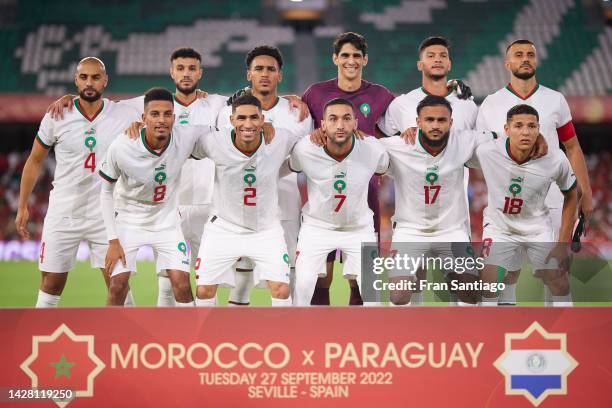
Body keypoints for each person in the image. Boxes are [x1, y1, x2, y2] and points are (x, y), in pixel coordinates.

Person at [15, 57, 140, 308]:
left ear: (105, 80)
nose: (89, 82)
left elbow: (169, 103)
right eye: (84, 77)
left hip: (107, 216)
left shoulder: (126, 112)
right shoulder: (57, 115)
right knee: (51, 283)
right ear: (76, 80)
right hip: (64, 211)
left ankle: (129, 343)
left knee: (118, 285)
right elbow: (35, 160)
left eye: (95, 77)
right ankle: (40, 341)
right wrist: (22, 206)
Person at [476, 39, 591, 305]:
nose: (525, 58)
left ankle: (560, 336)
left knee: (557, 272)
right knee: (506, 275)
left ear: (536, 61)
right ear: (507, 64)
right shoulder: (491, 104)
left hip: (552, 198)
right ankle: (505, 333)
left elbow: (572, 147)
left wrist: (587, 192)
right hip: (510, 203)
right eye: (518, 55)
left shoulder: (555, 100)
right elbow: (480, 149)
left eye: (530, 54)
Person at [377, 36, 478, 305]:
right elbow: (381, 139)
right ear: (420, 63)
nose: (437, 59)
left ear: (450, 63)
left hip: (454, 207)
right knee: (410, 284)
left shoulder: (467, 103)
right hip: (412, 205)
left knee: (467, 290)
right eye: (431, 55)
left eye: (442, 55)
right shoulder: (402, 105)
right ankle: (415, 338)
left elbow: (484, 142)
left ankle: (460, 338)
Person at [99, 87, 217, 306]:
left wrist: (265, 122)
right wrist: (112, 239)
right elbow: (105, 192)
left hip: (167, 222)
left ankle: (190, 339)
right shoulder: (122, 146)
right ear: (143, 118)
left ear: (174, 117)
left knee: (182, 284)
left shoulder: (187, 134)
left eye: (166, 114)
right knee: (116, 286)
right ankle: (112, 339)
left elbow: (233, 127)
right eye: (154, 114)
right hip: (128, 221)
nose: (161, 120)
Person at [301, 32, 395, 305]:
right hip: (324, 196)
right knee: (322, 274)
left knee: (362, 276)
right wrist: (292, 98)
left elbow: (409, 119)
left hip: (365, 196)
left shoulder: (380, 95)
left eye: (356, 55)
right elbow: (293, 119)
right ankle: (320, 338)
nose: (350, 61)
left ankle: (359, 336)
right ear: (335, 58)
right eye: (345, 55)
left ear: (365, 59)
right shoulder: (315, 93)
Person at [217, 45, 313, 305]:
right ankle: (239, 337)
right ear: (249, 74)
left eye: (271, 69)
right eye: (258, 68)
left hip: (285, 198)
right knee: (242, 277)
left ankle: (288, 333)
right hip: (242, 203)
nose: (265, 74)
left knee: (287, 271)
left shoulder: (298, 113)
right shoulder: (228, 113)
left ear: (280, 75)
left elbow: (303, 158)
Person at [380, 95, 497, 306]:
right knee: (398, 295)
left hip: (452, 230)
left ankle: (461, 337)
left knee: (470, 293)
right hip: (410, 231)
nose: (435, 125)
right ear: (417, 122)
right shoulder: (398, 145)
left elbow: (504, 136)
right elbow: (361, 145)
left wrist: (539, 140)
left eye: (441, 120)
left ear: (451, 123)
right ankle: (404, 335)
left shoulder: (464, 139)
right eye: (429, 120)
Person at [194, 94, 302, 307]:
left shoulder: (282, 138)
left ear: (263, 120)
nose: (248, 124)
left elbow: (310, 148)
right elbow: (179, 147)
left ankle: (284, 339)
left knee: (282, 289)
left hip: (266, 229)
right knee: (204, 290)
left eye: (254, 118)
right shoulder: (213, 141)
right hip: (223, 228)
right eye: (241, 118)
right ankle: (203, 338)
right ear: (232, 121)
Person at [471, 104, 577, 306]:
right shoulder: (486, 152)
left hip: (537, 229)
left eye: (532, 126)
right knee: (488, 284)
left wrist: (563, 245)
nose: (526, 132)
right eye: (518, 125)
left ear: (539, 129)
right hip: (499, 228)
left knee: (559, 283)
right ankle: (489, 334)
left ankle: (566, 333)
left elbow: (571, 193)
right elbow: (453, 147)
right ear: (506, 129)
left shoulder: (555, 159)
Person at [290, 98, 389, 306]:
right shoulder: (305, 149)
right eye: (333, 119)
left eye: (346, 119)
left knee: (374, 296)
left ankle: (372, 337)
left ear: (356, 123)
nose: (340, 125)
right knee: (303, 285)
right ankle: (298, 335)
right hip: (316, 228)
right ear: (323, 124)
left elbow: (382, 168)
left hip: (359, 229)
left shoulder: (373, 149)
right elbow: (294, 165)